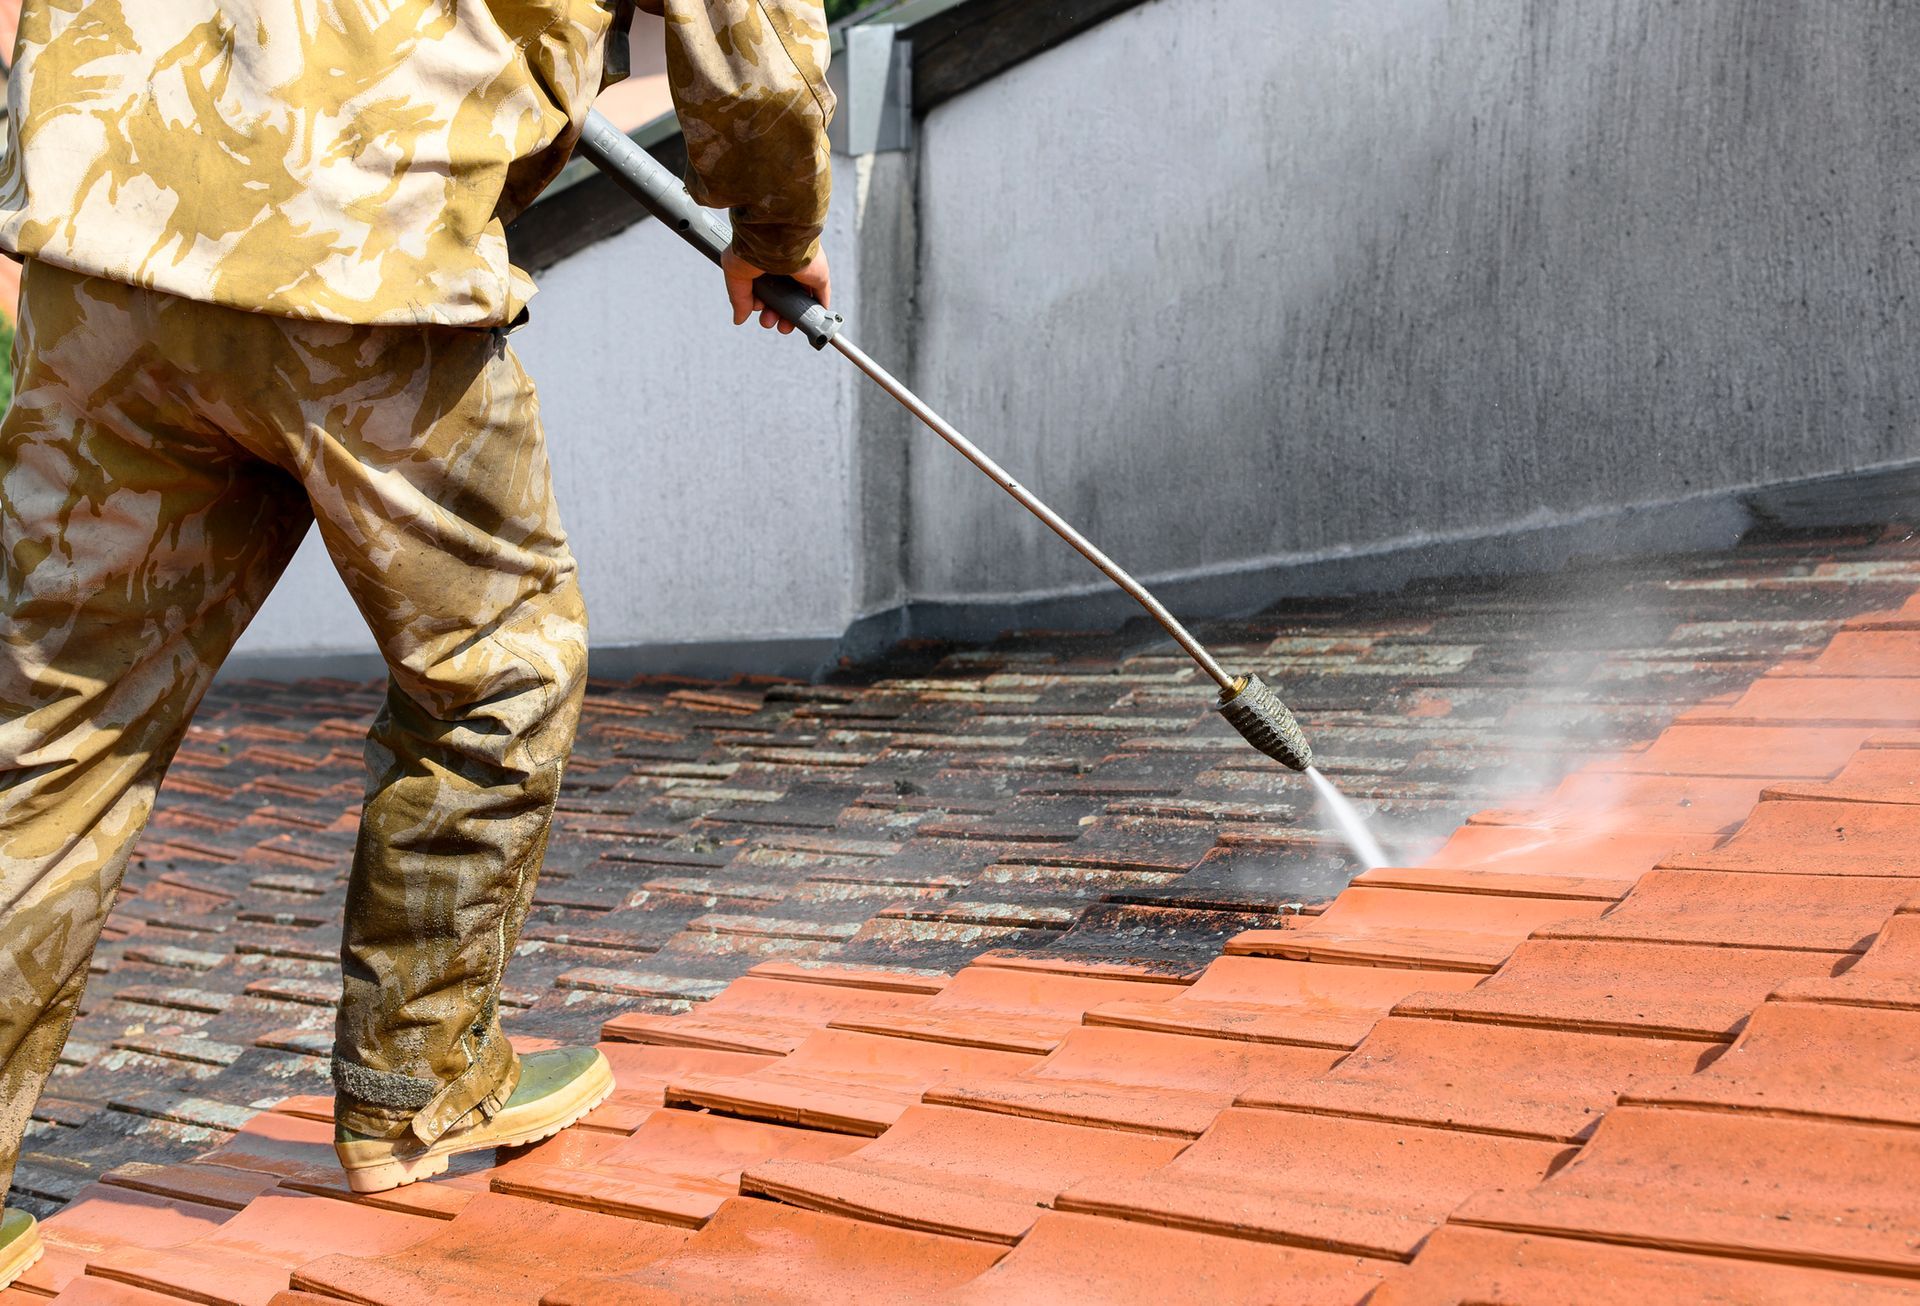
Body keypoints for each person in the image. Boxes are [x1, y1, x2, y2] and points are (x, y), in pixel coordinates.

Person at [0, 0, 833, 1281]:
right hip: (362, 250)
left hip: (108, 229)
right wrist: (776, 232)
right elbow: (754, 45)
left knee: (48, 727)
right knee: (500, 666)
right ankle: (417, 1079)